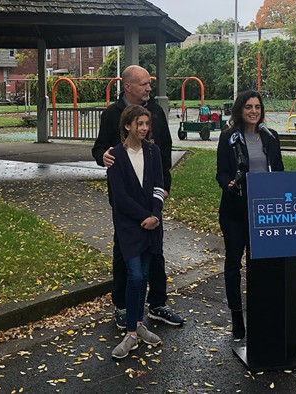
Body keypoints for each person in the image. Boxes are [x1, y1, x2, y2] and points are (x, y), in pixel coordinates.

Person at [92, 65, 184, 329]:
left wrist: (165, 186)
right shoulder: (112, 114)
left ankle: (157, 303)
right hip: (124, 198)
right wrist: (102, 156)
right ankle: (122, 305)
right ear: (128, 86)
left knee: (155, 249)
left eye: (149, 84)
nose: (148, 88)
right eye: (143, 84)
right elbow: (99, 148)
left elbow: (164, 150)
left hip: (152, 196)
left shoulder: (154, 111)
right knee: (124, 250)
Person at [215, 90, 285, 339]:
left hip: (263, 212)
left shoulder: (271, 137)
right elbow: (221, 172)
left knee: (262, 264)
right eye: (248, 107)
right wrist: (230, 185)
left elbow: (278, 171)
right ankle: (236, 317)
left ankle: (261, 313)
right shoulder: (228, 137)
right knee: (234, 262)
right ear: (239, 110)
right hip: (235, 211)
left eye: (257, 107)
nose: (253, 111)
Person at [108, 104, 165, 359]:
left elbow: (158, 187)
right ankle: (131, 333)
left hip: (151, 223)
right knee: (134, 274)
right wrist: (145, 216)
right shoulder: (116, 156)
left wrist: (155, 215)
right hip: (130, 225)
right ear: (127, 126)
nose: (143, 128)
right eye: (139, 124)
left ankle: (138, 326)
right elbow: (119, 198)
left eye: (146, 124)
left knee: (143, 273)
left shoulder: (153, 152)